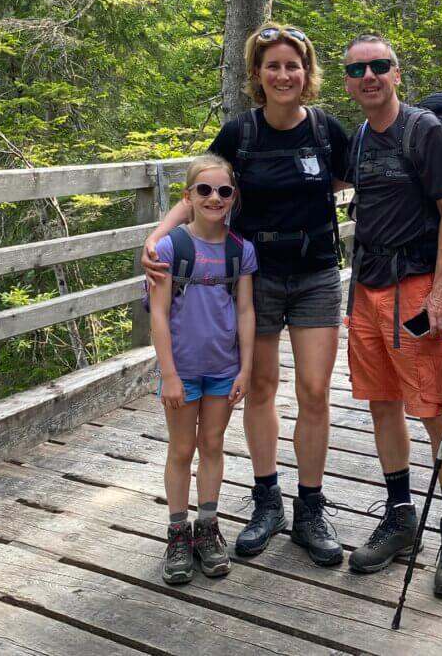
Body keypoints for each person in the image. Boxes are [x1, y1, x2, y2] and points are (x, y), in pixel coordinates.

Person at [144, 23, 350, 567]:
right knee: (260, 386)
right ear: (257, 75)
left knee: (314, 389)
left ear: (307, 74)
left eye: (293, 65)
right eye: (273, 66)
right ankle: (267, 501)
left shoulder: (328, 132)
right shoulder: (241, 133)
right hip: (253, 278)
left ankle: (309, 509)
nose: (284, 75)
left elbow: (369, 182)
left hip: (315, 273)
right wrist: (159, 235)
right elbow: (201, 188)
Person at [340, 33, 442, 596]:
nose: (368, 76)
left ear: (396, 73)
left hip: (415, 288)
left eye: (379, 66)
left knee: (434, 408)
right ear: (347, 82)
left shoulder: (426, 131)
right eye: (357, 69)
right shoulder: (360, 139)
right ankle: (399, 518)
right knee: (381, 403)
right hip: (366, 288)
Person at [147, 154, 257, 585]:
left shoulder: (241, 251)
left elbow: (245, 310)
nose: (214, 198)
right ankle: (177, 530)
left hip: (223, 368)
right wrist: (169, 373)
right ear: (188, 196)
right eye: (204, 190)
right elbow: (158, 315)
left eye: (224, 191)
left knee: (212, 444)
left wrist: (245, 368)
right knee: (181, 449)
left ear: (234, 197)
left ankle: (207, 527)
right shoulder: (173, 247)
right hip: (184, 368)